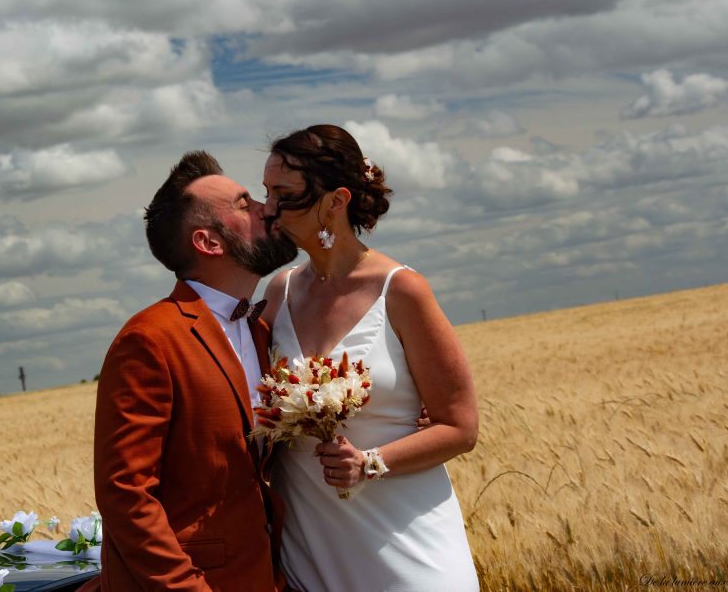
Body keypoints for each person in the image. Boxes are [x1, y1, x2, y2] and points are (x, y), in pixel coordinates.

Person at [260, 125, 480, 592]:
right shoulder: (279, 292)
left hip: (405, 546)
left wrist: (369, 462)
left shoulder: (401, 290)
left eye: (284, 194)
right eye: (266, 192)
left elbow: (460, 427)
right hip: (311, 555)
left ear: (335, 202)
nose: (269, 210)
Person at [84, 151, 298, 592]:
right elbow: (126, 495)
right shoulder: (150, 339)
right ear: (209, 242)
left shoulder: (260, 329)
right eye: (244, 204)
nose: (267, 207)